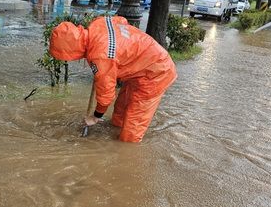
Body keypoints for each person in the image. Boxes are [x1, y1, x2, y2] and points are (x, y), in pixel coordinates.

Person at [49, 16, 177, 142]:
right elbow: (121, 20)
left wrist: (95, 117)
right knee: (120, 112)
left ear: (71, 49)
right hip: (141, 65)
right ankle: (116, 131)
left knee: (133, 126)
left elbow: (106, 96)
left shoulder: (101, 57)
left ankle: (126, 154)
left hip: (156, 73)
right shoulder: (98, 23)